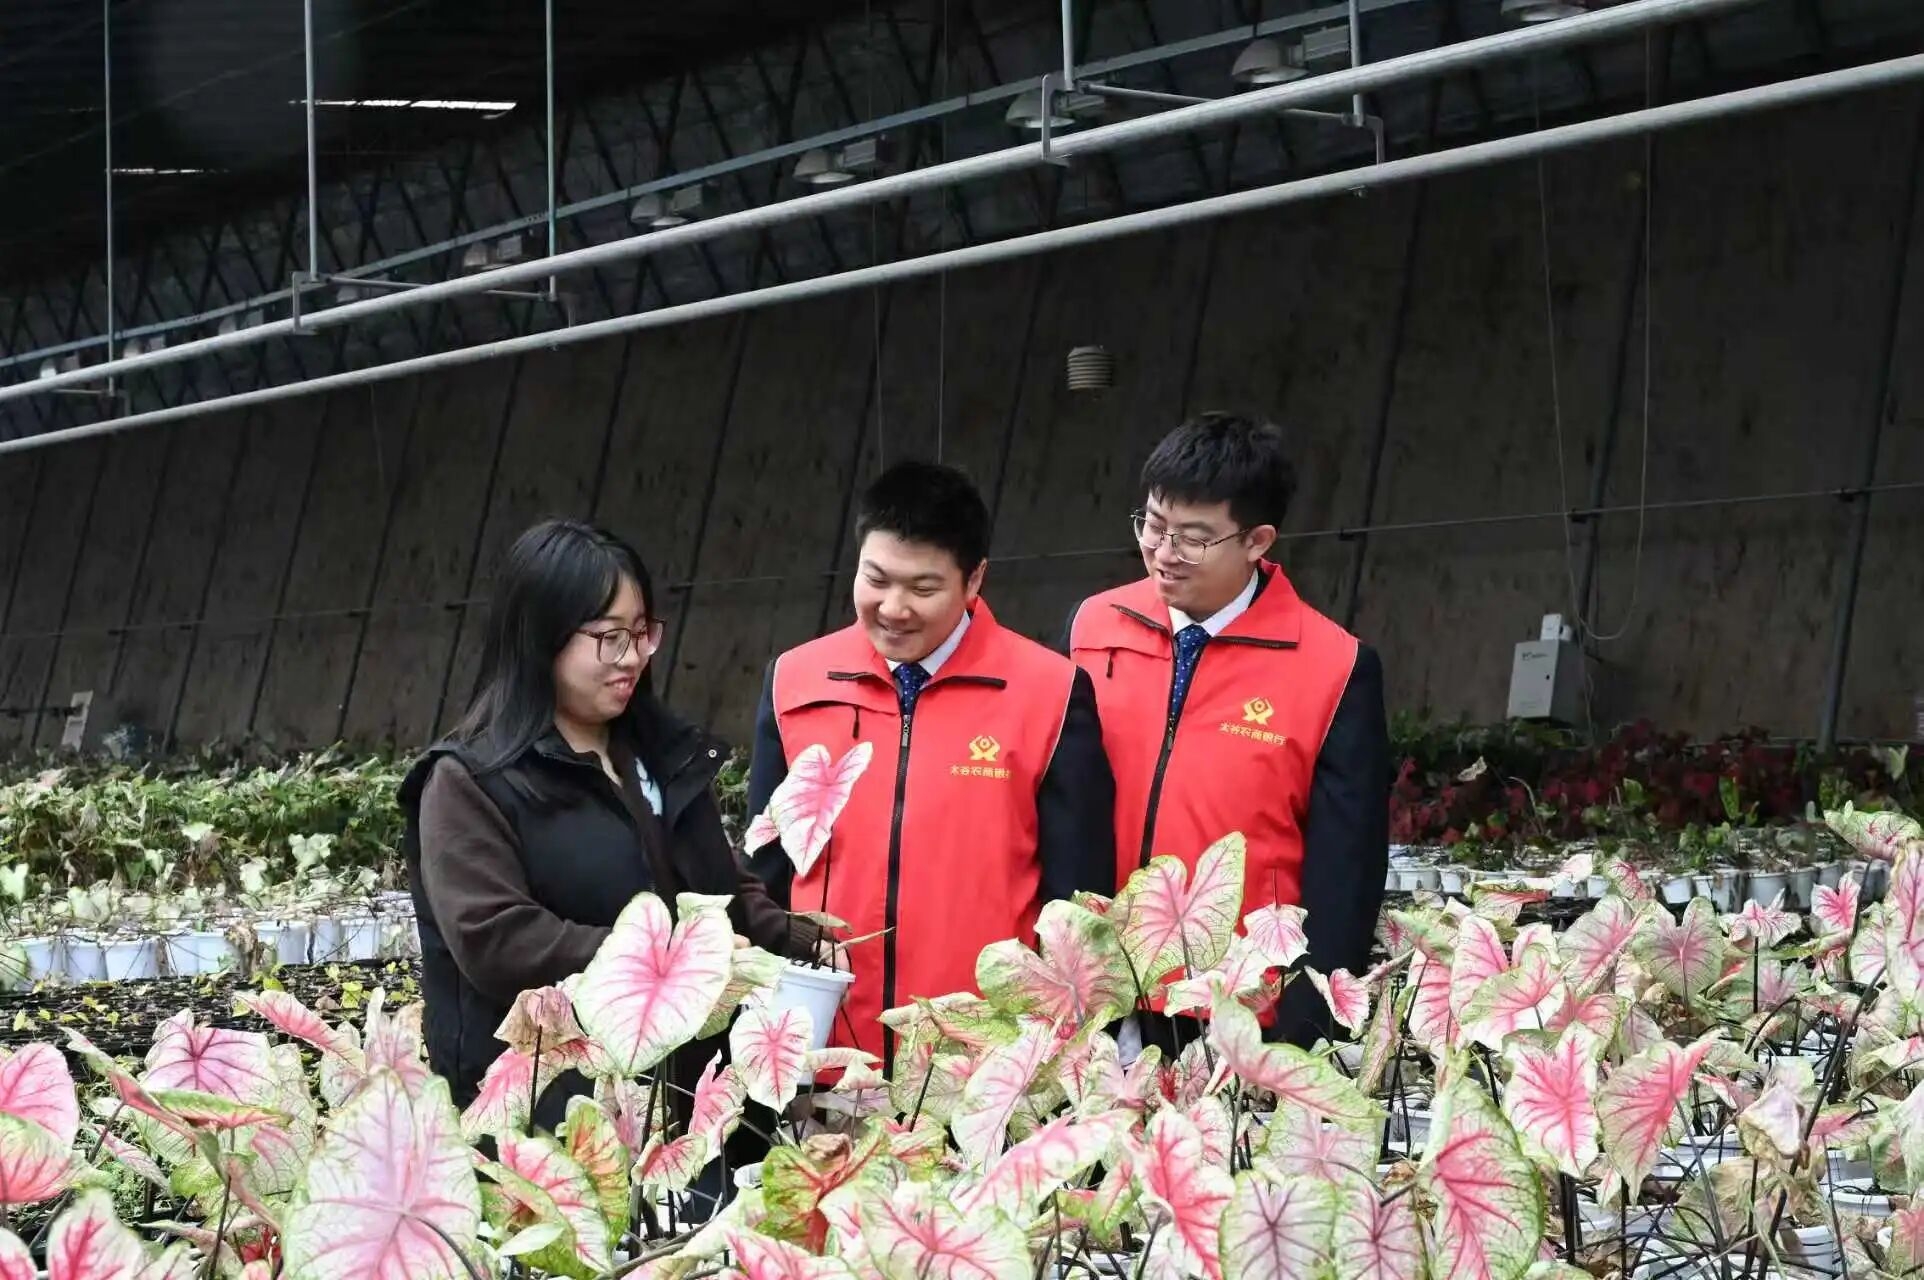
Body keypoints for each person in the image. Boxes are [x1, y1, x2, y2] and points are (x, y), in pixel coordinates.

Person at [399, 518, 826, 1135]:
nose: (632, 657)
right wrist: (668, 956)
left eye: (642, 633)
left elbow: (720, 888)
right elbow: (495, 938)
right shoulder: (471, 780)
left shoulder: (660, 755)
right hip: (555, 1109)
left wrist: (808, 939)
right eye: (608, 637)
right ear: (540, 637)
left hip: (688, 1100)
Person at [746, 460, 1116, 1067]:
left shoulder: (1050, 692)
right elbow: (764, 872)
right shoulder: (795, 680)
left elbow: (1078, 899)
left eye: (923, 589)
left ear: (975, 580)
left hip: (982, 1055)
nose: (893, 608)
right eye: (876, 579)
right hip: (825, 1042)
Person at [1063, 411, 1390, 1050]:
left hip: (1236, 1006)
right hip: (1095, 992)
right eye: (1153, 524)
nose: (1164, 553)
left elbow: (1346, 872)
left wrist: (1301, 1032)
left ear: (1257, 541)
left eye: (1194, 538)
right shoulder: (1091, 627)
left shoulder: (1336, 666)